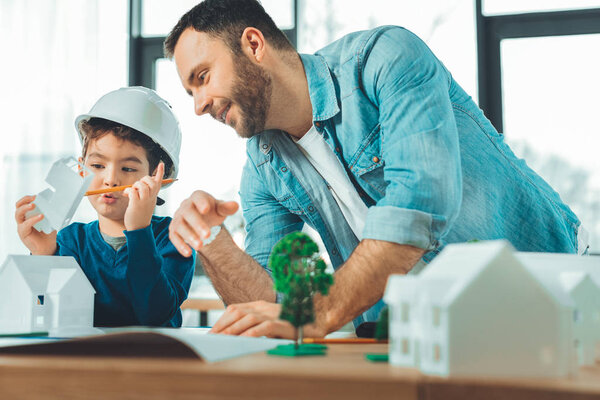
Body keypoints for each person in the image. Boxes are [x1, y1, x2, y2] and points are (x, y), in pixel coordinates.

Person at [163, 0, 585, 338]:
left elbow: (419, 205)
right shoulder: (263, 163)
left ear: (254, 45)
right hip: (432, 332)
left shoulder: (383, 59)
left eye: (202, 77)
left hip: (553, 291)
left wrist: (323, 311)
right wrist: (211, 241)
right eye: (189, 92)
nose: (198, 105)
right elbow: (272, 304)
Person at [15, 87, 195, 327]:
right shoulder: (70, 241)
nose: (110, 180)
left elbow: (154, 314)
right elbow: (43, 318)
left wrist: (139, 232)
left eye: (128, 169)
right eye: (98, 165)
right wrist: (43, 256)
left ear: (158, 179)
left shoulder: (175, 238)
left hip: (153, 363)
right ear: (81, 170)